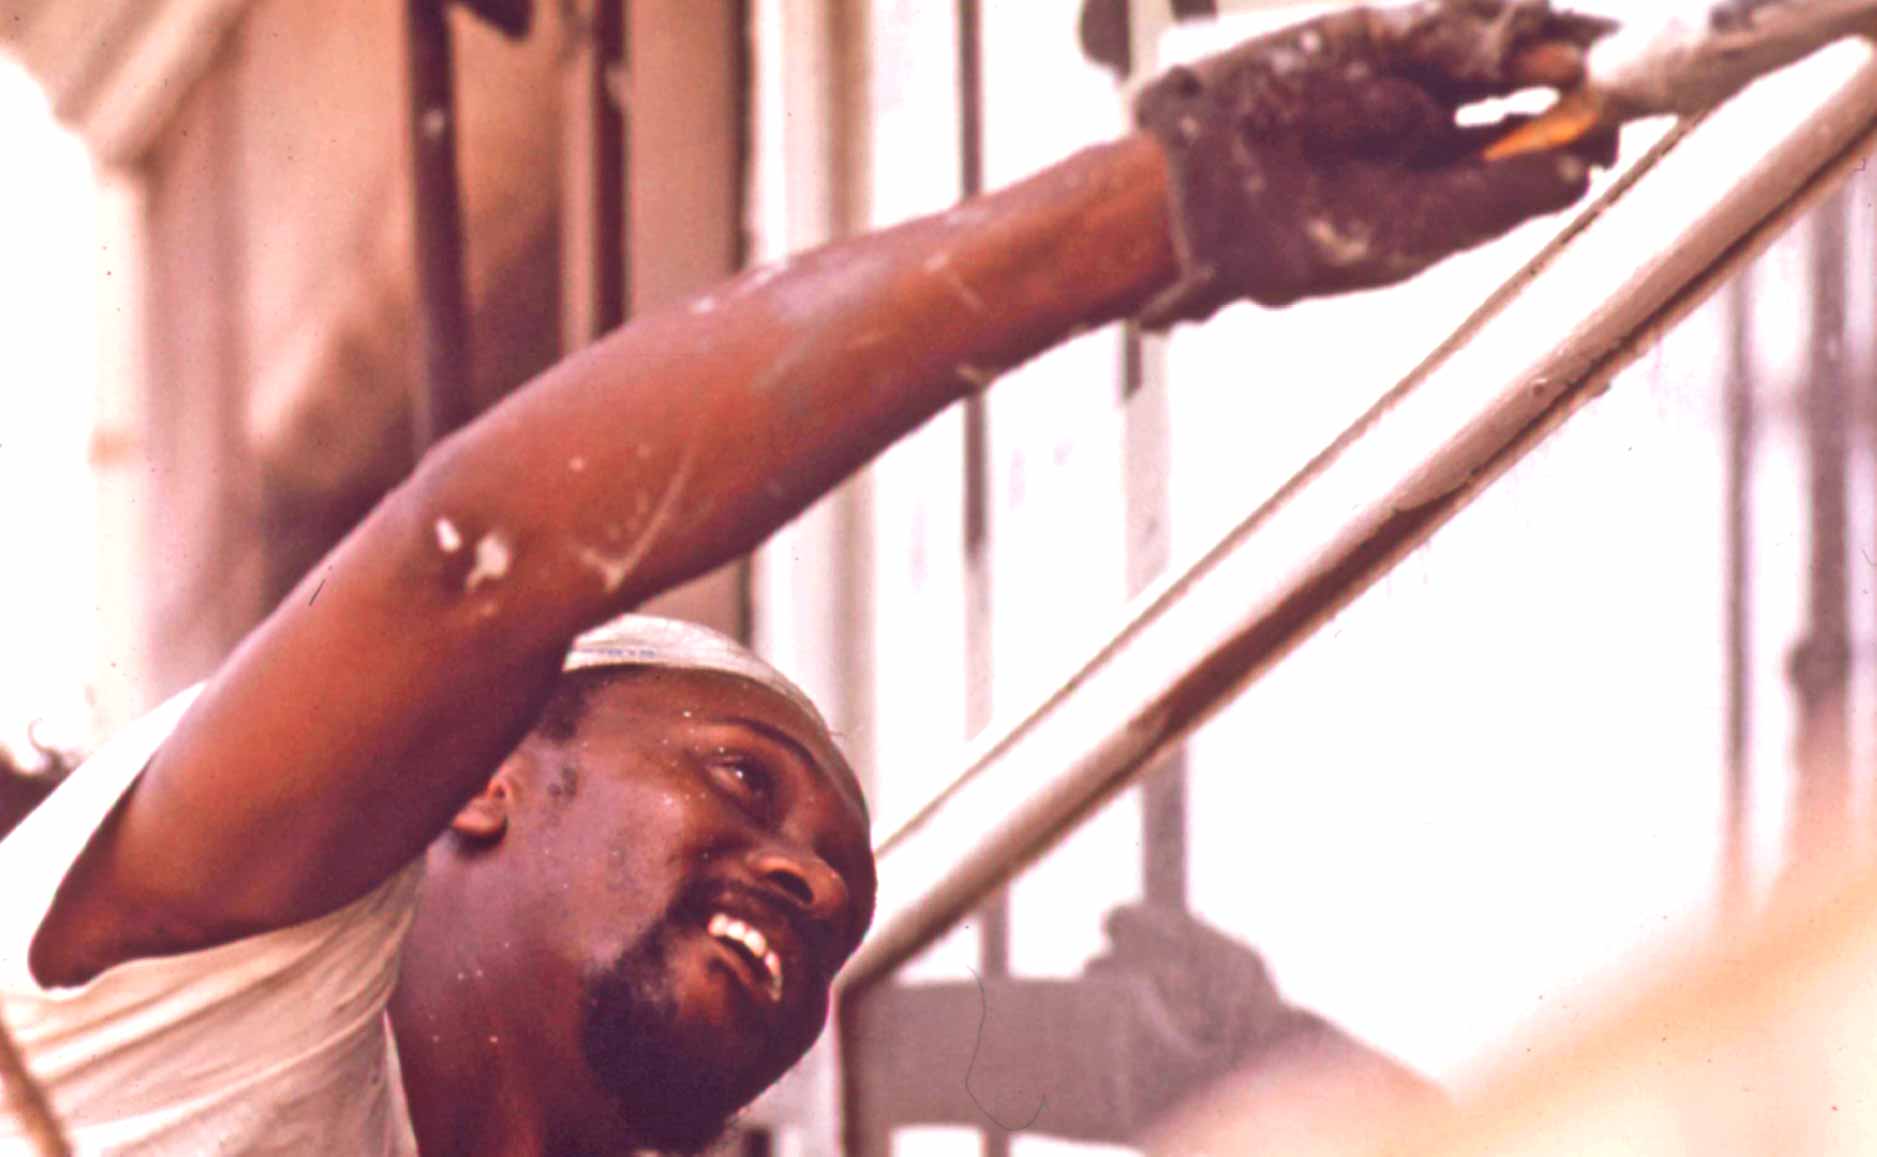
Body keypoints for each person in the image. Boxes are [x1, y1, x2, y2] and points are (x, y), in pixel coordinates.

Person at [0, 3, 1616, 1153]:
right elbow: (478, 563)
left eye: (842, 898)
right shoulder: (205, 975)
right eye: (735, 777)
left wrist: (1237, 1072)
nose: (816, 887)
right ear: (483, 775)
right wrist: (1160, 209)